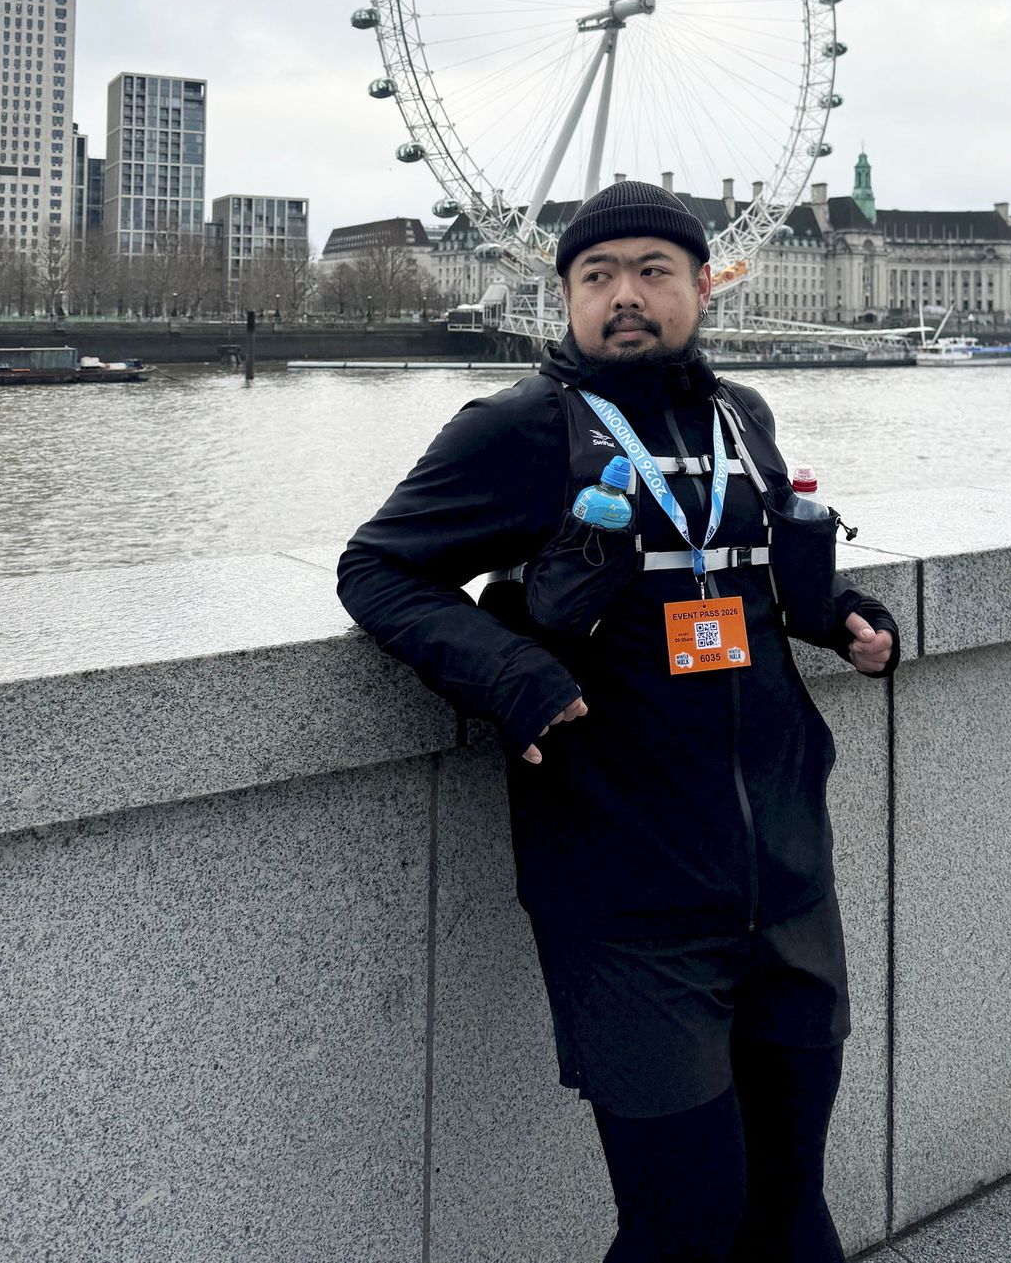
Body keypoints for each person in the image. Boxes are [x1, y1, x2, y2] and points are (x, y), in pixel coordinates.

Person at [338, 181, 899, 1262]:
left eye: (653, 271)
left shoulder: (744, 417)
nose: (625, 296)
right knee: (682, 1225)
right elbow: (377, 569)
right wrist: (512, 676)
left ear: (702, 286)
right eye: (597, 277)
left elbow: (762, 576)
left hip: (786, 879)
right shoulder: (519, 428)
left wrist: (843, 617)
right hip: (629, 904)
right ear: (566, 298)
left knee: (794, 1211)